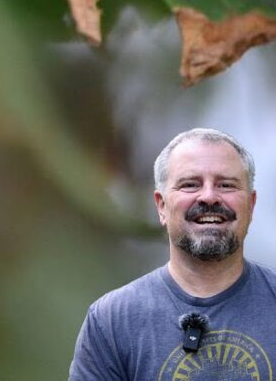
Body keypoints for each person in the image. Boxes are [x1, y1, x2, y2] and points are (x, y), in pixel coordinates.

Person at [69, 128, 276, 380]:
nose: (209, 196)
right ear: (161, 206)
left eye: (226, 185)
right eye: (190, 185)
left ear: (251, 205)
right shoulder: (112, 321)